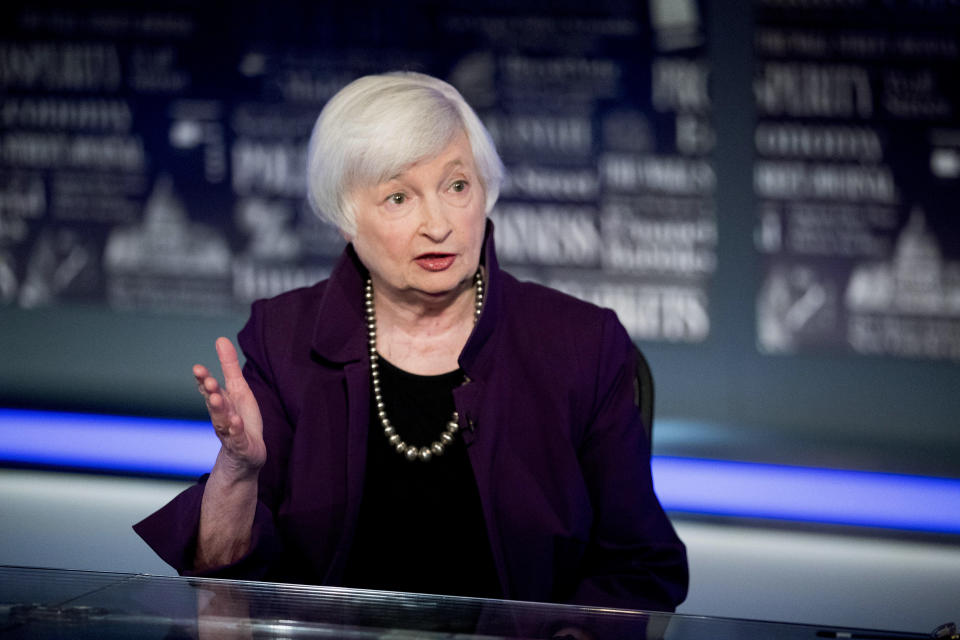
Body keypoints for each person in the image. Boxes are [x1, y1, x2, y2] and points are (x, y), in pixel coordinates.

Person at [134, 71, 688, 612]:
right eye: (399, 198)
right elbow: (223, 577)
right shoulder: (285, 340)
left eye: (456, 186)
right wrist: (238, 474)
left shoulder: (578, 344)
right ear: (346, 218)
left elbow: (639, 566)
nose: (439, 224)